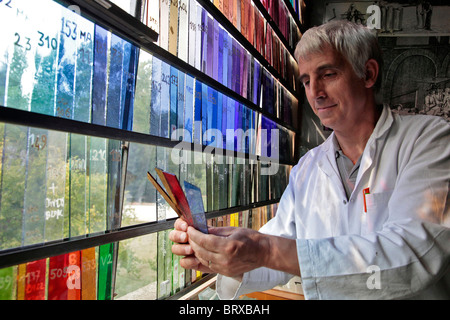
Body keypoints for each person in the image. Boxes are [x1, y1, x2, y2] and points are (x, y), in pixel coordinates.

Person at [169, 20, 450, 299]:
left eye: (327, 74)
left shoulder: (429, 139)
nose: (315, 92)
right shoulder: (308, 167)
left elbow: (412, 254)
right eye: (306, 81)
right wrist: (223, 256)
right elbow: (283, 249)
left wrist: (265, 249)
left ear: (367, 73)